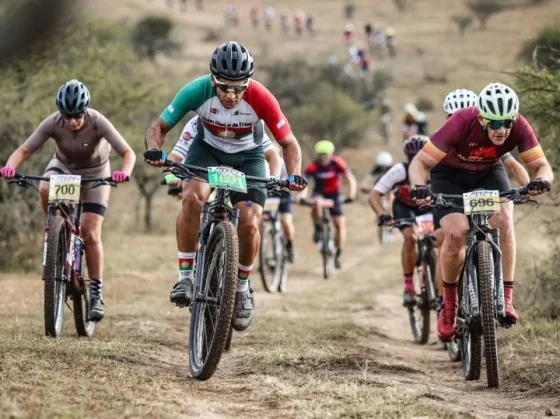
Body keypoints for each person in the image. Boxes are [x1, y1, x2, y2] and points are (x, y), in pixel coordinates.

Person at [143, 41, 307, 332]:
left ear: (247, 83)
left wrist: (293, 174)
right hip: (207, 151)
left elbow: (288, 143)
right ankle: (186, 276)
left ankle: (242, 287)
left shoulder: (262, 97)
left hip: (249, 157)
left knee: (250, 221)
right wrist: (156, 150)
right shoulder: (195, 90)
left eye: (238, 88)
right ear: (212, 80)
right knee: (192, 197)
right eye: (224, 88)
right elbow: (158, 127)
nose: (231, 95)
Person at [409, 82, 553, 341]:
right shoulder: (462, 122)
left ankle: (506, 298)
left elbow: (541, 165)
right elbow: (420, 161)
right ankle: (449, 306)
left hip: (488, 173)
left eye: (507, 122)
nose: (502, 130)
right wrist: (419, 186)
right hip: (449, 175)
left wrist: (540, 180)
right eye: (494, 123)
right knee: (455, 234)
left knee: (505, 221)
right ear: (481, 117)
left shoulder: (519, 125)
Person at [0, 79, 136, 321]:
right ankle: (55, 228)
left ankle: (96, 293)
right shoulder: (53, 122)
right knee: (44, 186)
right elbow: (24, 150)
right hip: (63, 168)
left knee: (91, 233)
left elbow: (127, 152)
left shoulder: (97, 120)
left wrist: (124, 172)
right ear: (61, 113)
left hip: (96, 173)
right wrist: (10, 167)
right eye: (68, 116)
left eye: (78, 116)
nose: (73, 121)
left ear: (85, 111)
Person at [432, 89, 530, 314]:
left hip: (482, 184)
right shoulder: (443, 137)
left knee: (501, 223)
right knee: (446, 240)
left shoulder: (488, 138)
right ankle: (444, 301)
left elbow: (513, 166)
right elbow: (429, 171)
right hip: (449, 188)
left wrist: (526, 188)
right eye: (452, 118)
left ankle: (495, 288)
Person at [369, 135, 430, 305]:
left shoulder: (438, 169)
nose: (417, 161)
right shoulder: (399, 170)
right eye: (413, 158)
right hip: (405, 207)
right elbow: (374, 195)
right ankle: (408, 286)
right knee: (411, 237)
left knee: (441, 239)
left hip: (429, 207)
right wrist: (383, 214)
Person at [299, 140, 357, 269]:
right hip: (319, 193)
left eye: (326, 154)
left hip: (334, 195)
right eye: (321, 154)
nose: (324, 157)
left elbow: (350, 179)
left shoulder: (338, 163)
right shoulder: (313, 166)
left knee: (339, 224)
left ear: (331, 154)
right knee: (316, 204)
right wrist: (302, 196)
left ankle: (338, 253)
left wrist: (351, 195)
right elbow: (304, 182)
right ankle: (318, 228)